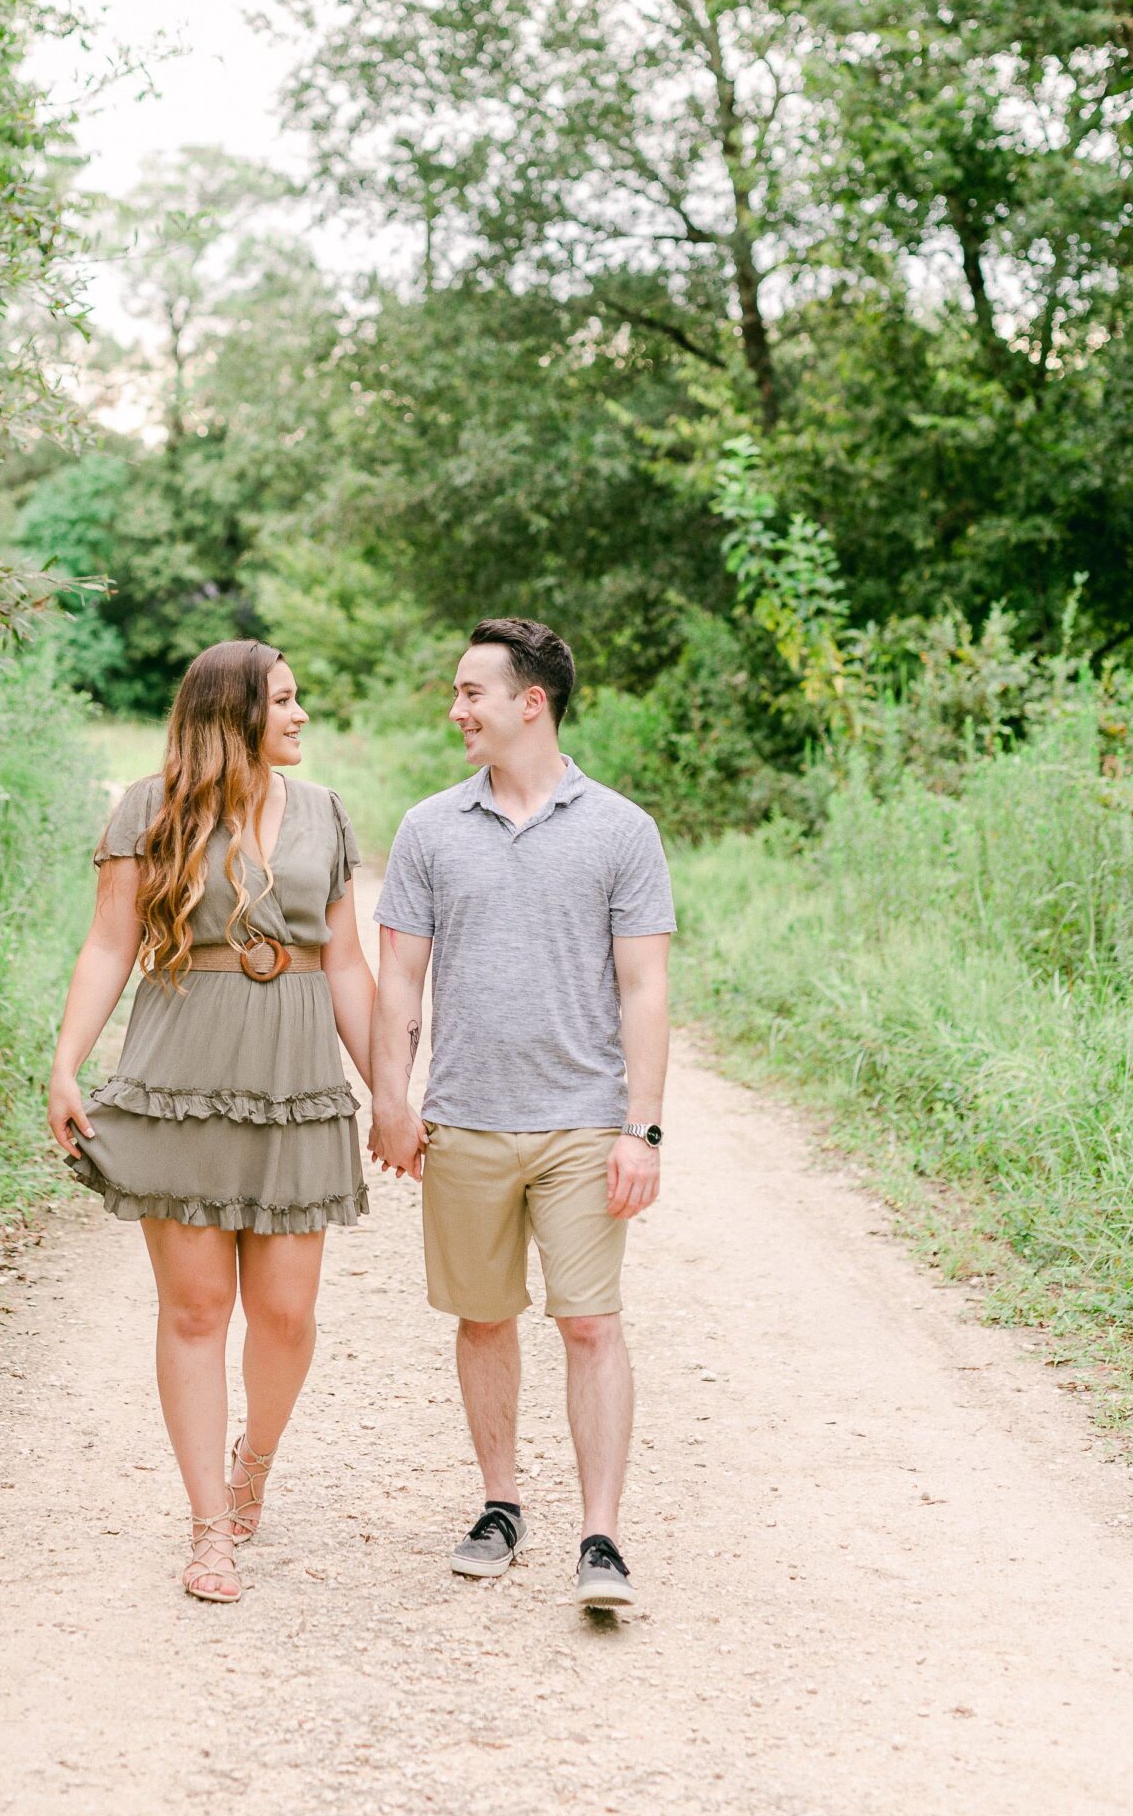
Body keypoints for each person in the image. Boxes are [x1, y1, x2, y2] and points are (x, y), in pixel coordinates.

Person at [47, 640, 375, 1605]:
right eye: (283, 700)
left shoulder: (323, 814)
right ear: (232, 713)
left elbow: (348, 966)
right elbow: (110, 944)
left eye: (298, 697)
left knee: (287, 1313)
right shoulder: (148, 810)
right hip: (180, 1073)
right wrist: (66, 1063)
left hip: (296, 1079)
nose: (300, 715)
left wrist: (389, 1090)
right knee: (194, 1312)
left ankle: (253, 1466)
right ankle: (206, 1529)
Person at [369, 616, 674, 1610]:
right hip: (463, 1120)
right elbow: (398, 982)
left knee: (589, 1323)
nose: (455, 708)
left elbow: (643, 989)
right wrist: (390, 1097)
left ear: (528, 702)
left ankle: (601, 1535)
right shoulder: (426, 828)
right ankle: (498, 1503)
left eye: (471, 692)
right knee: (483, 1316)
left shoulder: (620, 829)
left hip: (584, 1123)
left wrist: (642, 1127)